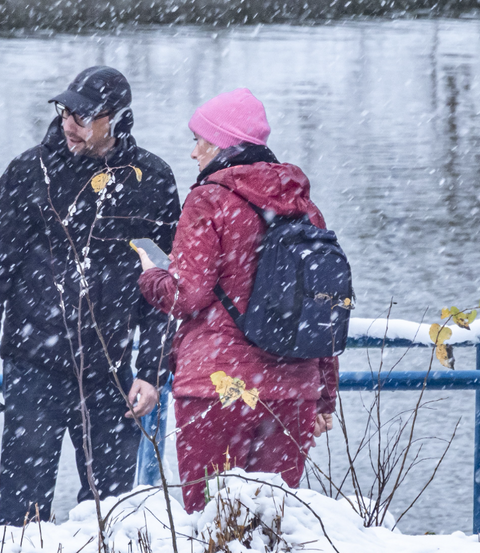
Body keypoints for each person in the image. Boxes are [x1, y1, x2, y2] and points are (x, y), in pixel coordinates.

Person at [0, 66, 182, 526]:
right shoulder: (29, 173)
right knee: (23, 515)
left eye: (82, 116)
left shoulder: (149, 179)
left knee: (115, 513)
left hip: (112, 371)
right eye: (65, 111)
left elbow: (172, 283)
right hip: (33, 366)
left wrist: (153, 371)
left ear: (116, 120)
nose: (68, 124)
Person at [135, 88, 340, 514]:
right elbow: (322, 310)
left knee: (210, 523)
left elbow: (186, 295)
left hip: (216, 388)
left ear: (225, 143)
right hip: (290, 392)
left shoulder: (209, 199)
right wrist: (324, 397)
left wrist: (151, 275)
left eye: (200, 140)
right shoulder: (305, 207)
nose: (193, 153)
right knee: (272, 524)